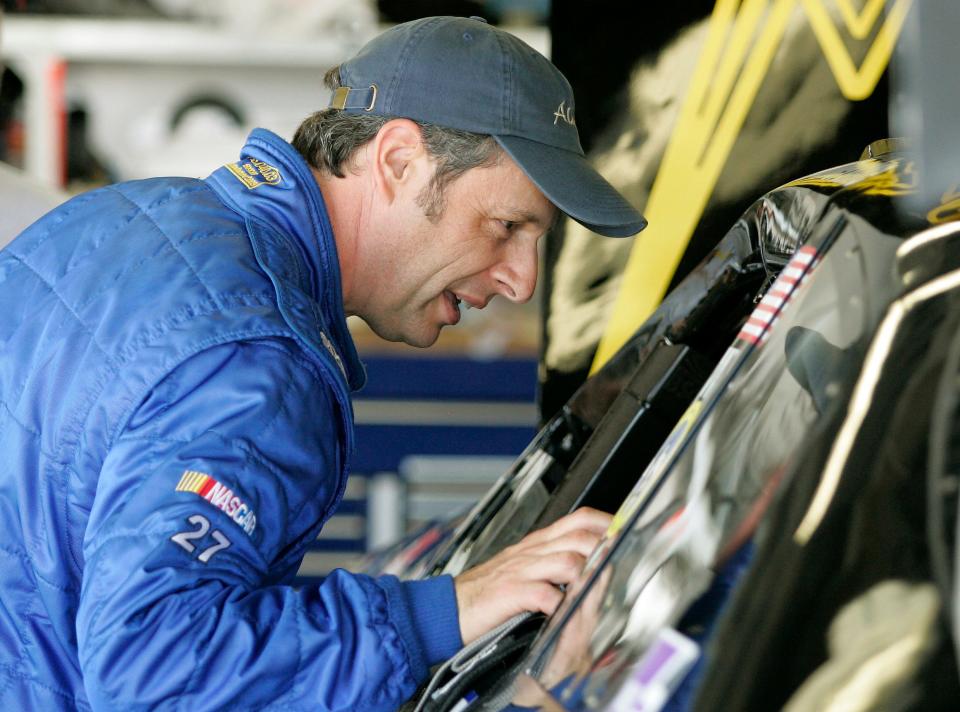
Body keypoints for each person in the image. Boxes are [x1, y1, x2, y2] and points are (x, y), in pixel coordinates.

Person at [0, 16, 646, 711]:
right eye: (507, 227)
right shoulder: (259, 358)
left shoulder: (115, 221)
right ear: (399, 161)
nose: (522, 281)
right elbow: (157, 672)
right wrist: (443, 614)